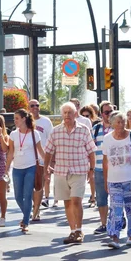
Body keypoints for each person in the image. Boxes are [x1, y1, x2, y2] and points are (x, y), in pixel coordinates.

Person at [43, 102, 97, 244]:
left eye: (70, 113)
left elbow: (92, 151)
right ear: (62, 114)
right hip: (61, 171)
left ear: (75, 114)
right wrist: (46, 169)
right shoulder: (55, 131)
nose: (67, 115)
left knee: (76, 200)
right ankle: (72, 231)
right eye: (65, 113)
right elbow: (48, 151)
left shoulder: (84, 130)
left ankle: (79, 230)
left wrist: (91, 170)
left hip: (79, 170)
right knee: (67, 202)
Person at [102, 112, 131, 248]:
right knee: (116, 209)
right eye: (118, 122)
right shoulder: (107, 138)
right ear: (112, 124)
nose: (121, 125)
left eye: (123, 122)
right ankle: (114, 237)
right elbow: (105, 162)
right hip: (113, 180)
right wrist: (105, 181)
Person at [6, 109, 47, 233]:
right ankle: (27, 213)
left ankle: (25, 221)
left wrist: (48, 164)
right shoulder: (13, 134)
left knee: (27, 195)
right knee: (18, 196)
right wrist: (6, 168)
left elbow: (40, 150)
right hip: (17, 168)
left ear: (24, 119)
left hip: (31, 167)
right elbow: (11, 152)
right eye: (14, 119)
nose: (15, 121)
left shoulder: (34, 134)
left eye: (17, 118)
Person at [91, 101, 114, 233]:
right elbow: (91, 149)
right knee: (101, 197)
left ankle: (117, 219)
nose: (109, 114)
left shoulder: (117, 127)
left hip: (115, 169)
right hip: (99, 168)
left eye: (111, 111)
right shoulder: (96, 129)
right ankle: (104, 224)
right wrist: (91, 168)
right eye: (106, 112)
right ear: (101, 114)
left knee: (116, 197)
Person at [28, 99, 53, 216]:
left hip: (42, 159)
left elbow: (52, 140)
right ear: (28, 107)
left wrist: (52, 160)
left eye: (37, 105)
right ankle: (34, 205)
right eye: (32, 105)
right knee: (30, 186)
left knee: (39, 185)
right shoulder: (25, 121)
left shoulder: (46, 121)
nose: (35, 107)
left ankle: (36, 209)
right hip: (28, 159)